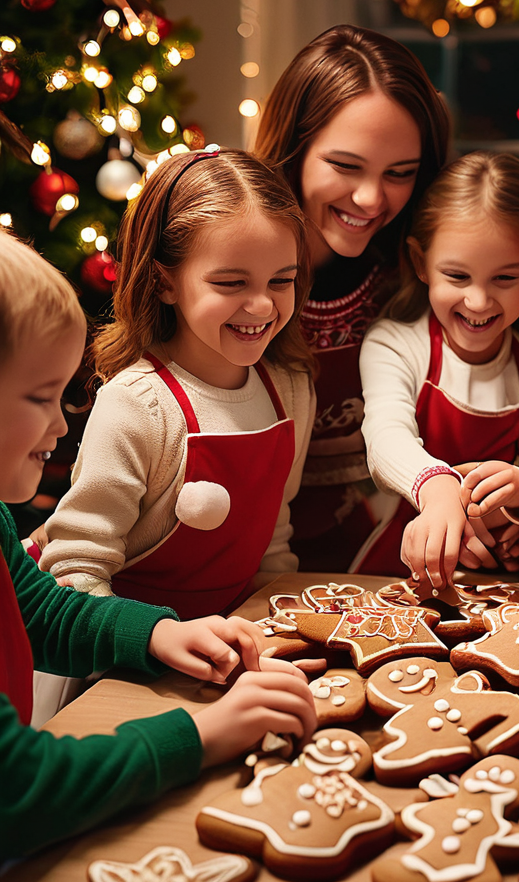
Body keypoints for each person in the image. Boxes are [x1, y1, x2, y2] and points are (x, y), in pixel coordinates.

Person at [0, 228, 316, 861]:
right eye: (40, 398)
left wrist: (156, 633)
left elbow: (40, 611)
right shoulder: (140, 403)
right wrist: (202, 736)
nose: (64, 426)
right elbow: (17, 789)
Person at [37, 148, 316, 620]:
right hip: (121, 667)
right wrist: (158, 642)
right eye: (231, 283)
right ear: (164, 282)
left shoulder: (290, 391)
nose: (264, 306)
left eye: (281, 281)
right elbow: (76, 569)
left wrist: (273, 630)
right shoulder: (136, 406)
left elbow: (272, 542)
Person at [253, 24, 451, 571]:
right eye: (345, 166)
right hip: (220, 562)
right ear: (294, 148)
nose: (370, 198)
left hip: (365, 560)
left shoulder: (415, 275)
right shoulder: (222, 267)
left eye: (400, 173)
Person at [355, 151, 519, 591]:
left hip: (511, 586)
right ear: (420, 264)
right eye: (457, 276)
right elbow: (385, 439)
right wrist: (438, 492)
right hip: (395, 574)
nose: (478, 301)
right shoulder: (395, 345)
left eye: (505, 278)